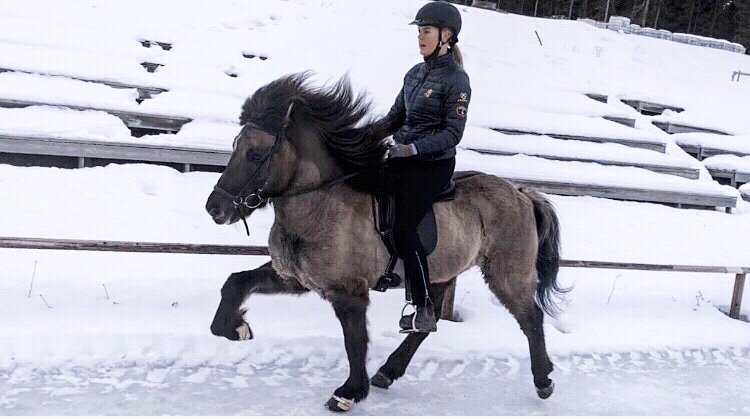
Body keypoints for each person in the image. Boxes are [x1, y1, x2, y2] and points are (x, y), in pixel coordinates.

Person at [373, 1, 471, 333]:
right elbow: (394, 118)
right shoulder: (414, 74)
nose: (420, 37)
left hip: (431, 165)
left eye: (426, 31)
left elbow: (452, 134)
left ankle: (424, 305)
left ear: (447, 36)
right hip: (401, 155)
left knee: (404, 227)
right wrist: (361, 135)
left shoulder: (457, 81)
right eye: (418, 31)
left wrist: (413, 148)